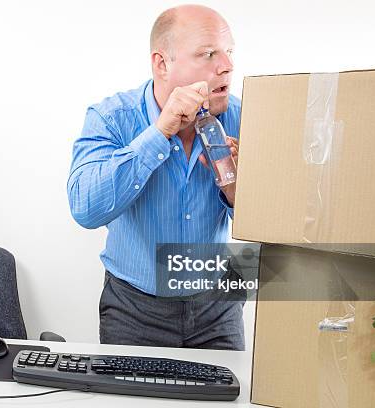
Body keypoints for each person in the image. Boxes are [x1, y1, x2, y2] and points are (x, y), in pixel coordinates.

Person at [67, 4, 244, 350]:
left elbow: (275, 227)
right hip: (134, 312)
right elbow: (84, 208)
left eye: (229, 53)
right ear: (162, 64)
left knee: (225, 403)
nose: (227, 66)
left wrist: (236, 188)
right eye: (209, 54)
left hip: (218, 309)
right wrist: (158, 134)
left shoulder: (245, 117)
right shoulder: (111, 119)